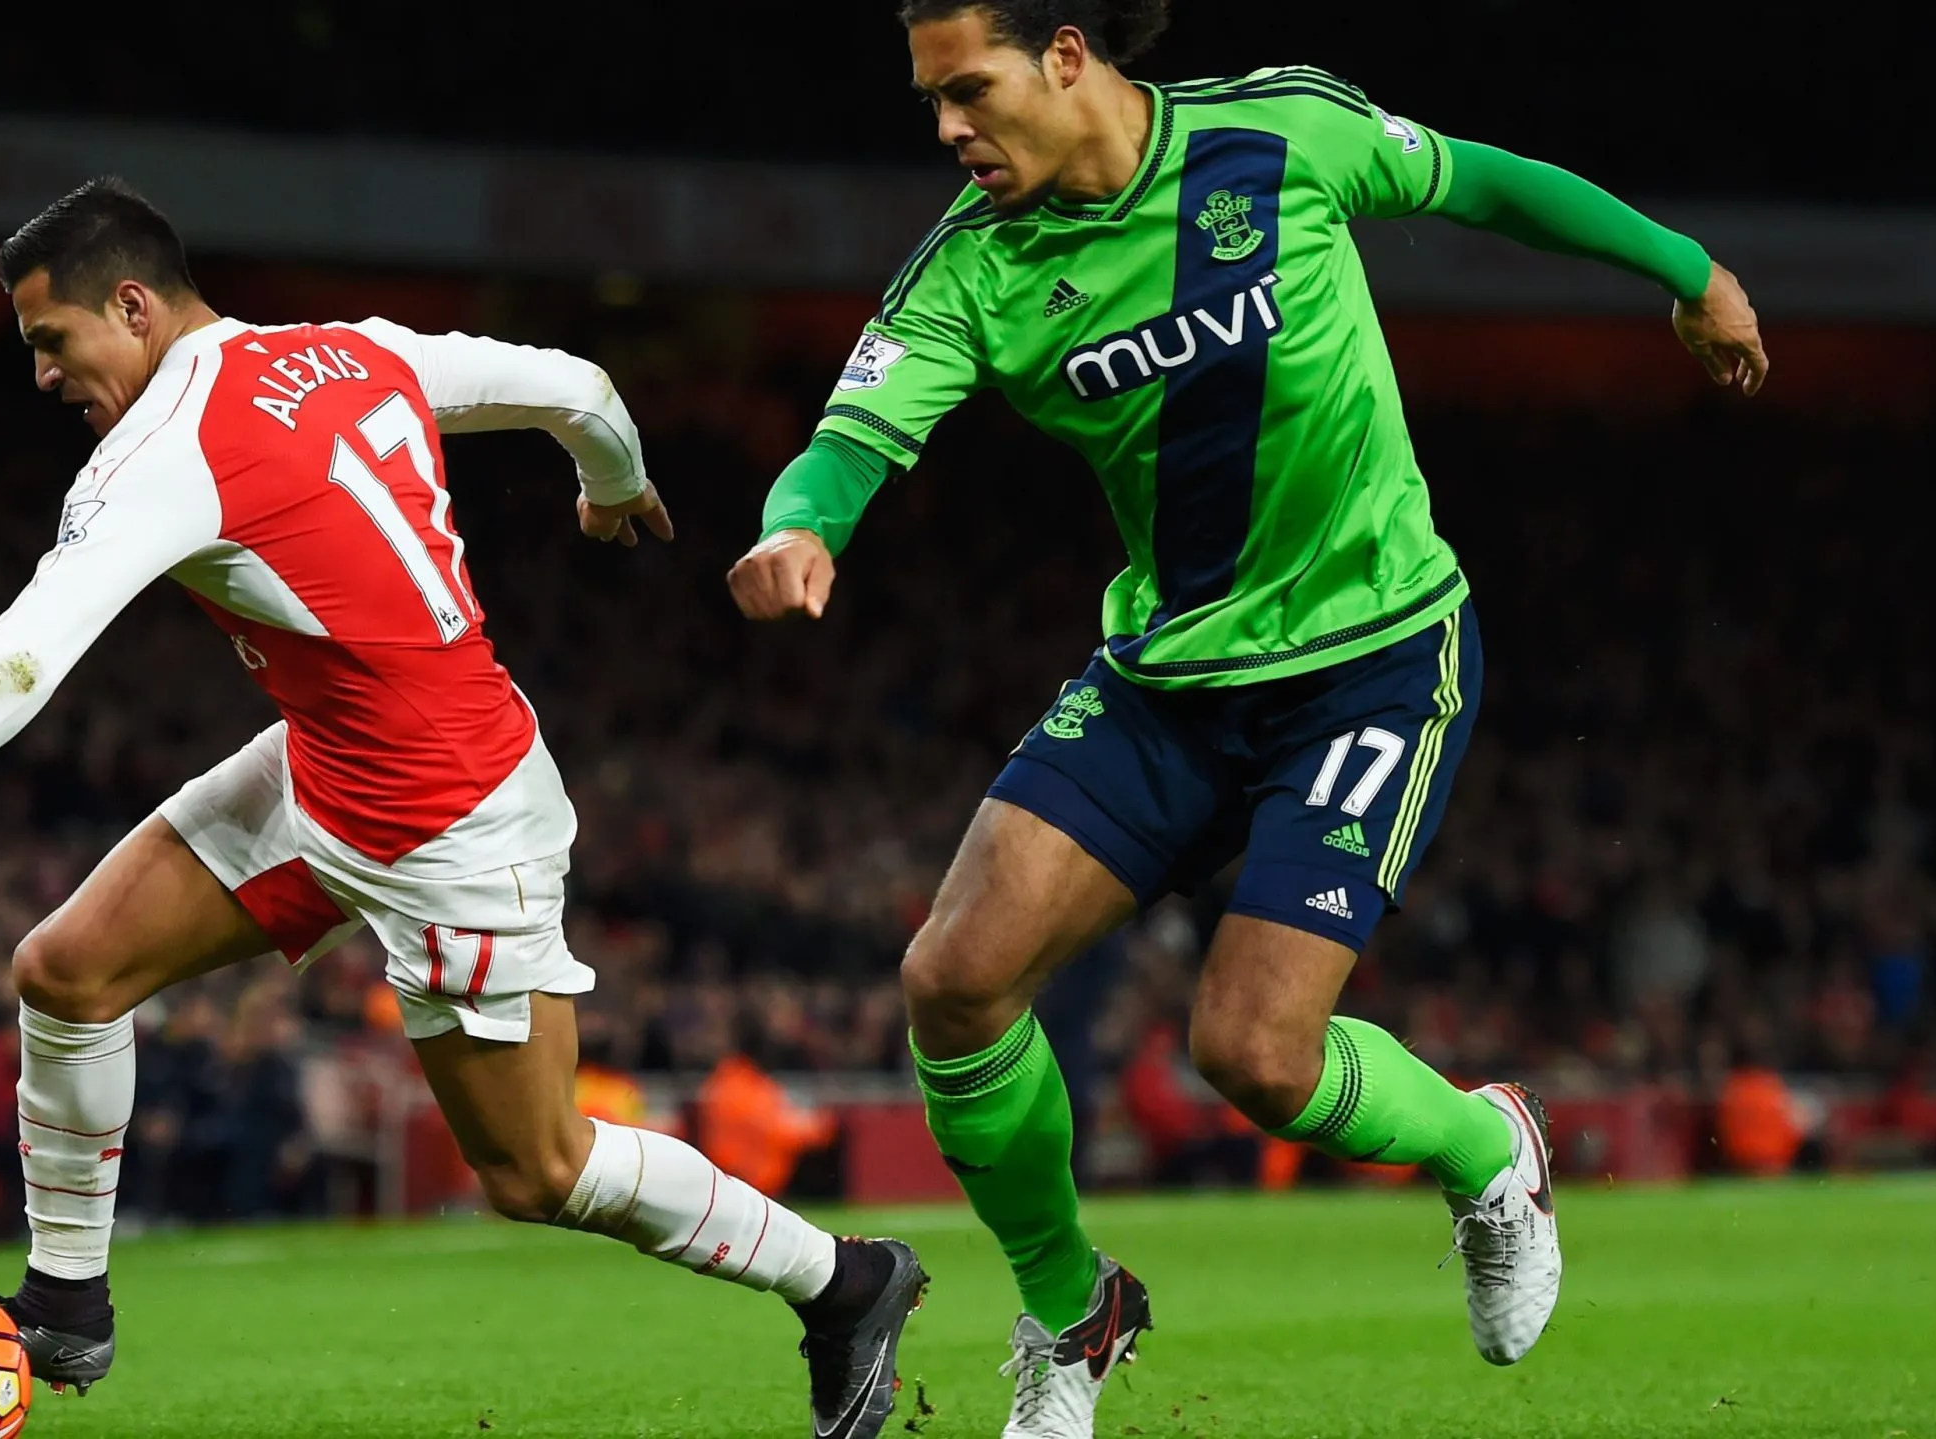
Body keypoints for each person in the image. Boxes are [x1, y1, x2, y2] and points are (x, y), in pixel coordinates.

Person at [0, 177, 927, 1437]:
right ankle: (67, 1301)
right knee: (65, 971)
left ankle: (846, 1281)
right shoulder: (350, 351)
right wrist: (612, 481)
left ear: (131, 303)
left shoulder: (156, 458)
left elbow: (13, 668)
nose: (44, 376)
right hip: (330, 763)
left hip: (452, 819)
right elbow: (577, 386)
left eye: (51, 342)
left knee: (536, 1167)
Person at [725, 3, 1769, 1433]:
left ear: (1071, 58)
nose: (950, 128)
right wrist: (804, 530)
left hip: (1375, 654)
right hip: (1168, 680)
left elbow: (1482, 180)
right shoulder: (974, 270)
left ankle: (1487, 1143)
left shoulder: (1278, 133)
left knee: (1257, 1055)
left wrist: (1685, 268)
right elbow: (848, 440)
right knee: (952, 979)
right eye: (931, 102)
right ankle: (1071, 1307)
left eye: (969, 89)